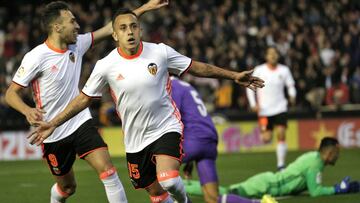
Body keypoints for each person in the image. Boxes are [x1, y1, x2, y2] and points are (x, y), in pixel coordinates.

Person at [29, 8, 264, 203]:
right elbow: (83, 99)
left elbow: (196, 67)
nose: (129, 32)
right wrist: (52, 123)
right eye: (123, 28)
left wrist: (233, 76)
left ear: (140, 29)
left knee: (169, 179)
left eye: (133, 26)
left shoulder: (160, 52)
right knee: (156, 194)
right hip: (135, 141)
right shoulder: (106, 65)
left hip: (166, 127)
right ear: (114, 35)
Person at [4, 1, 168, 203]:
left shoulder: (77, 44)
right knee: (67, 187)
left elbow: (112, 27)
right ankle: (56, 198)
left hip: (79, 121)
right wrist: (27, 110)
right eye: (72, 21)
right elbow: (11, 93)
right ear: (57, 27)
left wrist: (144, 8)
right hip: (52, 131)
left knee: (108, 171)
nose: (77, 26)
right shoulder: (36, 57)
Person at [171, 77, 277, 203]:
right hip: (209, 138)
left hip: (194, 138)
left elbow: (173, 118)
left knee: (160, 172)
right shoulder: (185, 86)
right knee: (213, 199)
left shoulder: (170, 86)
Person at [184, 137, 360, 198]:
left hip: (267, 183)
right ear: (329, 153)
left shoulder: (314, 159)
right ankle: (181, 185)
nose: (338, 156)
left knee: (222, 192)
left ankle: (182, 185)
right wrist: (337, 189)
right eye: (337, 152)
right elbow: (315, 191)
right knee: (221, 193)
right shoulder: (315, 164)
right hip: (265, 185)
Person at [246, 47, 296, 170]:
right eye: (270, 54)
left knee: (281, 134)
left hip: (280, 108)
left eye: (275, 53)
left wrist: (292, 95)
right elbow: (250, 86)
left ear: (278, 56)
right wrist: (253, 104)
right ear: (266, 56)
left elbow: (290, 85)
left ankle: (281, 165)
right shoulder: (259, 70)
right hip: (264, 110)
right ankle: (267, 132)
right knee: (266, 139)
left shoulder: (284, 70)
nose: (273, 56)